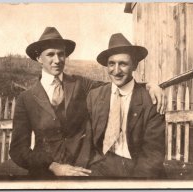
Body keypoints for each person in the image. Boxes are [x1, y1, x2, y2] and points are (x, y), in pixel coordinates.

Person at [9, 27, 165, 178]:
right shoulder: (26, 99)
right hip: (45, 171)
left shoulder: (80, 84)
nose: (57, 60)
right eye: (50, 54)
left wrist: (149, 85)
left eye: (61, 54)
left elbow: (118, 83)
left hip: (83, 168)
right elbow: (18, 149)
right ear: (38, 58)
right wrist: (52, 166)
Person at [86, 33, 166, 178]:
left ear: (134, 65)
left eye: (123, 64)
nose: (116, 71)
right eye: (111, 64)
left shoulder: (151, 100)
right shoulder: (95, 96)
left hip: (134, 168)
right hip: (100, 164)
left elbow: (153, 154)